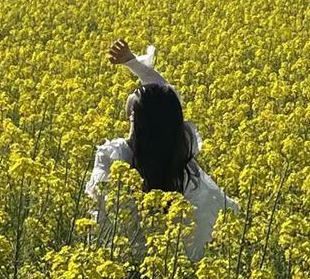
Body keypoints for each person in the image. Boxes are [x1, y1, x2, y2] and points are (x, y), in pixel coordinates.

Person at [84, 39, 236, 262]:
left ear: (133, 118)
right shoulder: (179, 154)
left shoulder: (114, 156)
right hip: (169, 258)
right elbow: (167, 100)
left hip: (125, 260)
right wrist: (133, 63)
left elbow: (98, 209)